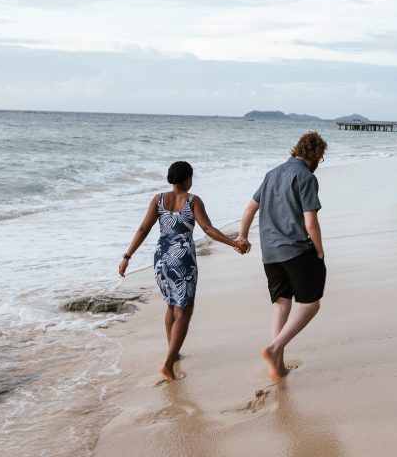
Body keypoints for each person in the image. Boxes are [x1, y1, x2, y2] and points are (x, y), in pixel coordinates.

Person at [119, 160, 249, 382]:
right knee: (185, 311)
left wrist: (126, 257)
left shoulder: (158, 199)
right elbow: (208, 229)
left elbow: (143, 229)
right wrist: (234, 242)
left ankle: (173, 352)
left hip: (161, 258)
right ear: (188, 179)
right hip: (182, 260)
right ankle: (168, 364)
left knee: (171, 305)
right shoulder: (192, 201)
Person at [237, 131, 327, 382]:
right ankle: (275, 349)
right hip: (295, 249)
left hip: (269, 253)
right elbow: (311, 222)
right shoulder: (306, 177)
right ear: (317, 155)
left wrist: (243, 237)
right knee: (310, 304)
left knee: (282, 303)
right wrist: (319, 250)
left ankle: (277, 365)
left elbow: (249, 208)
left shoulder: (272, 174)